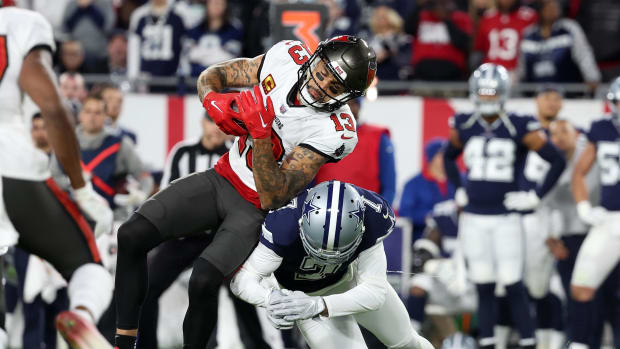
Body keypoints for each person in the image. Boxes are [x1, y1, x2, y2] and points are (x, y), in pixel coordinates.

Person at [114, 35, 376, 349]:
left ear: (347, 97)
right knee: (131, 235)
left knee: (203, 281)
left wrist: (261, 132)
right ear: (314, 58)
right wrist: (212, 100)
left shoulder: (334, 129)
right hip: (222, 177)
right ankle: (124, 342)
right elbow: (214, 76)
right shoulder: (286, 58)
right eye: (321, 72)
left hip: (255, 209)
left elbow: (272, 195)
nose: (319, 86)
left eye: (333, 87)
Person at [0, 6, 114, 348]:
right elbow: (53, 107)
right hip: (12, 165)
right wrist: (81, 189)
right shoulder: (20, 22)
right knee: (87, 264)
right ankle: (81, 313)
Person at [443, 63, 566, 349]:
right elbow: (448, 157)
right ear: (475, 93)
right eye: (483, 93)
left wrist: (536, 196)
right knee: (484, 285)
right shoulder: (464, 123)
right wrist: (458, 188)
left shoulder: (519, 125)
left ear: (503, 93)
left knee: (513, 284)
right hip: (474, 217)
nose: (487, 99)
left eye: (492, 93)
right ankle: (488, 343)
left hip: (506, 217)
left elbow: (556, 160)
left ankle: (528, 342)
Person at [230, 180, 434, 349]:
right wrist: (269, 298)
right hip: (304, 296)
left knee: (408, 343)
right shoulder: (284, 222)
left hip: (349, 281)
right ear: (302, 223)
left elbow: (375, 292)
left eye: (339, 251)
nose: (327, 258)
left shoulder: (372, 215)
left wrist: (319, 306)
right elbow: (242, 279)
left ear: (360, 228)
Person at [137, 113, 269, 349]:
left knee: (241, 291)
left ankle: (256, 345)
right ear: (202, 123)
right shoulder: (182, 151)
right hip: (185, 237)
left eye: (222, 125)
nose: (217, 129)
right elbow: (169, 195)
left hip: (222, 238)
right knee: (147, 285)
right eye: (212, 122)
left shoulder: (239, 153)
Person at [570, 76, 620, 349]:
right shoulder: (601, 129)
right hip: (611, 218)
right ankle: (580, 345)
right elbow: (579, 173)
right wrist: (584, 207)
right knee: (582, 286)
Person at [543, 119, 601, 349]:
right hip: (567, 241)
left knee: (602, 299)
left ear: (576, 133)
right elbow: (542, 204)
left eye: (563, 132)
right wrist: (550, 238)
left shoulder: (591, 159)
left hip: (597, 236)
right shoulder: (548, 162)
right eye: (553, 134)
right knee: (573, 300)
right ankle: (575, 343)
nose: (558, 139)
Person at [50, 93, 153, 213]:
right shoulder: (64, 143)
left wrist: (141, 195)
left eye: (98, 113)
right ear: (81, 115)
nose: (92, 117)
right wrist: (71, 182)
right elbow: (53, 177)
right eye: (88, 111)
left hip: (112, 216)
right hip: (73, 215)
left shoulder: (120, 144)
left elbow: (143, 175)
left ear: (105, 116)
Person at [408, 200, 476, 345]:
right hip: (445, 276)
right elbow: (424, 251)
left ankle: (493, 339)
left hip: (475, 280)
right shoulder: (443, 212)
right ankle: (411, 335)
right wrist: (437, 266)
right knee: (418, 284)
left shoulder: (488, 213)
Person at [313, 97, 396, 205]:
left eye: (351, 103)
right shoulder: (318, 136)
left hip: (366, 214)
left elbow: (389, 186)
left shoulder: (379, 138)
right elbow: (307, 184)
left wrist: (380, 215)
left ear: (359, 106)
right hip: (323, 212)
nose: (346, 108)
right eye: (341, 104)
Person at [517, 0, 600, 88]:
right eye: (548, 6)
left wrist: (592, 77)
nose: (553, 9)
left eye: (555, 5)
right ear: (540, 9)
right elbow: (521, 66)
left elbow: (583, 54)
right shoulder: (528, 34)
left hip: (568, 91)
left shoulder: (569, 28)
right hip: (535, 93)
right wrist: (516, 88)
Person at [400, 138, 455, 240]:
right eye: (441, 154)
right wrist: (430, 216)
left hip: (455, 242)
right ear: (431, 158)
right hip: (422, 241)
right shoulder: (413, 184)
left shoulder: (458, 181)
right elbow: (405, 213)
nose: (446, 158)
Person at [405, 0, 472, 81]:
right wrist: (420, 6)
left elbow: (464, 43)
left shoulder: (461, 17)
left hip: (451, 73)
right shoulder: (421, 16)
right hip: (423, 73)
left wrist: (446, 19)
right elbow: (408, 29)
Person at [473, 0, 537, 74]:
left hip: (517, 71)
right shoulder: (487, 17)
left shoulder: (529, 16)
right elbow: (479, 49)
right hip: (489, 69)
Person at [185, 0, 243, 78]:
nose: (216, 6)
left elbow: (229, 58)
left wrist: (201, 53)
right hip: (195, 81)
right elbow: (190, 56)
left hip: (223, 82)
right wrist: (218, 51)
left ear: (226, 5)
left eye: (219, 3)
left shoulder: (234, 30)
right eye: (213, 3)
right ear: (207, 4)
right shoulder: (195, 29)